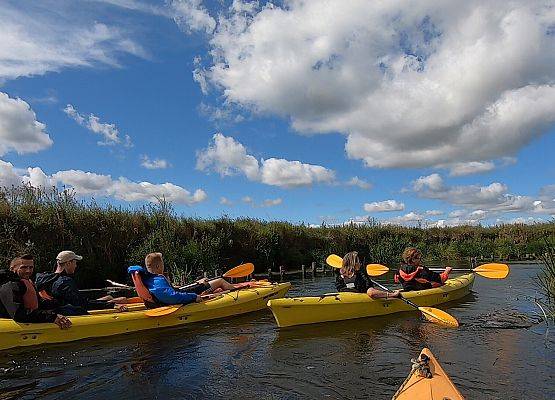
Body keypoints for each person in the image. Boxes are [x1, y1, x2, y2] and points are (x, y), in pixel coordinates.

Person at [128, 252, 237, 307]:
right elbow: (171, 296)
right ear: (158, 267)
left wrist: (196, 283)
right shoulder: (158, 281)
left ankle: (204, 285)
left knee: (203, 282)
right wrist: (194, 297)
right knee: (220, 281)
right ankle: (237, 294)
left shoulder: (148, 279)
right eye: (162, 263)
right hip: (182, 297)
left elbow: (172, 290)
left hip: (179, 293)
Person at [35, 251, 126, 315]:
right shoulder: (65, 282)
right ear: (68, 263)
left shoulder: (44, 277)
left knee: (110, 297)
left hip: (53, 310)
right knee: (121, 299)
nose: (76, 265)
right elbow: (83, 305)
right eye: (75, 262)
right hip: (66, 312)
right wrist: (112, 305)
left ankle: (111, 300)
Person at [0, 255, 71, 329]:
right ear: (12, 269)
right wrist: (52, 317)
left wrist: (58, 304)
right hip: (11, 329)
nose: (28, 271)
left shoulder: (25, 282)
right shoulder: (9, 285)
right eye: (23, 267)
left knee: (69, 309)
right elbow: (18, 315)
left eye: (31, 267)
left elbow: (37, 303)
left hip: (26, 324)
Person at [335, 251, 401, 299]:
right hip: (354, 297)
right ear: (354, 263)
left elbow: (339, 288)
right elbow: (369, 289)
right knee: (371, 291)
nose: (360, 263)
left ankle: (386, 293)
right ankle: (392, 294)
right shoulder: (360, 274)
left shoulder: (340, 276)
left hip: (346, 297)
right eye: (358, 261)